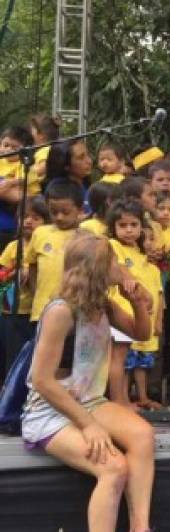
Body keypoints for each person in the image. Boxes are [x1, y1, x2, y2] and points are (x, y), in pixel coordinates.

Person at [21, 232, 170, 532]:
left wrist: (137, 299)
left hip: (89, 400)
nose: (120, 266)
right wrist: (88, 425)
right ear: (96, 268)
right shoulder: (61, 311)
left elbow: (142, 332)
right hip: (51, 410)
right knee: (113, 468)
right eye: (114, 261)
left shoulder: (101, 304)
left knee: (142, 435)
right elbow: (43, 381)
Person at [106, 199, 164, 409]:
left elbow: (157, 293)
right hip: (121, 312)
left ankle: (136, 398)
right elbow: (122, 271)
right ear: (113, 227)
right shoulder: (113, 246)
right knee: (119, 360)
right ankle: (120, 402)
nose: (129, 230)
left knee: (134, 361)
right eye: (122, 226)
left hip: (139, 316)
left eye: (134, 225)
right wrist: (143, 295)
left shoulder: (142, 256)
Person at [0, 196, 48, 379]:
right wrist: (15, 271)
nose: (28, 221)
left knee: (32, 359)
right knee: (12, 358)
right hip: (11, 312)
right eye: (24, 216)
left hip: (34, 312)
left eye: (36, 218)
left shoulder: (45, 247)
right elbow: (2, 277)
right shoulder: (13, 247)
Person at [24, 179, 83, 323]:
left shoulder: (86, 236)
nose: (59, 217)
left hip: (75, 313)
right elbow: (32, 265)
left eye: (66, 212)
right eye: (54, 212)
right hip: (42, 311)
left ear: (80, 210)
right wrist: (36, 293)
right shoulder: (40, 233)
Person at [44, 139, 93, 205]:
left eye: (88, 155)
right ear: (66, 166)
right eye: (81, 158)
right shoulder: (58, 192)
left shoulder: (84, 183)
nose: (89, 161)